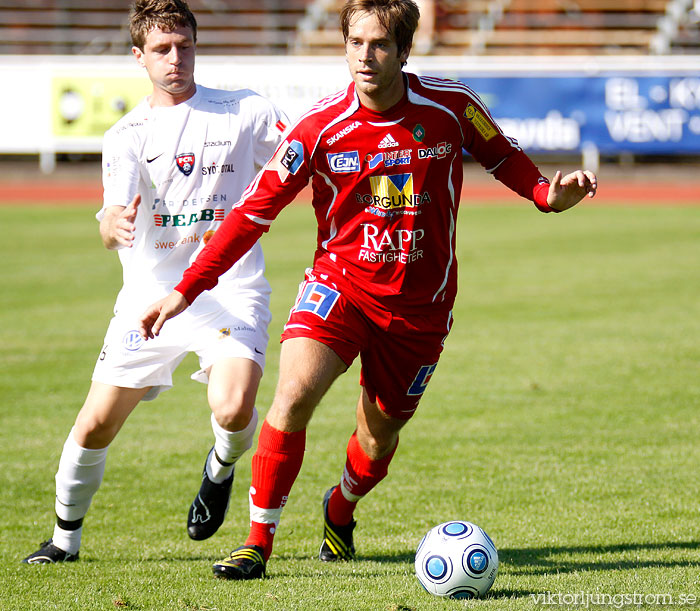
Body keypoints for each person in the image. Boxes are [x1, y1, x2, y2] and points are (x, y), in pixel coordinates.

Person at [139, 0, 597, 580]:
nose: (365, 56)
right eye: (355, 42)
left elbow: (502, 155)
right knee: (294, 395)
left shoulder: (451, 108)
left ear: (404, 50)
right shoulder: (319, 128)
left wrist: (544, 195)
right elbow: (252, 213)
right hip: (340, 288)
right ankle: (258, 542)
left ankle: (341, 505)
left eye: (379, 44)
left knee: (377, 440)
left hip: (421, 309)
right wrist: (185, 290)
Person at [22, 0, 288, 564]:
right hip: (148, 300)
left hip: (228, 289)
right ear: (138, 56)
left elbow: (304, 150)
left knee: (235, 408)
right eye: (162, 49)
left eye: (184, 45)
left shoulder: (245, 112)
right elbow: (111, 216)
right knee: (93, 425)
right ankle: (63, 542)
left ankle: (219, 467)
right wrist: (110, 224)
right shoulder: (125, 135)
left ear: (196, 45)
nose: (176, 58)